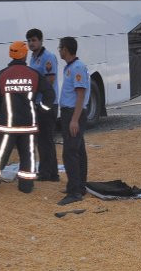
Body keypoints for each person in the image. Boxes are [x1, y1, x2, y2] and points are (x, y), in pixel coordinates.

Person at [0, 41, 55, 193]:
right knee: (28, 156)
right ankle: (26, 186)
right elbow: (50, 94)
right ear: (25, 54)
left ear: (10, 54)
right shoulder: (34, 74)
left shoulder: (2, 75)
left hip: (7, 125)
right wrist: (40, 111)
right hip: (28, 125)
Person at [57, 37, 90, 206]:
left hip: (73, 113)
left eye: (60, 47)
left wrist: (75, 120)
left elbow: (80, 94)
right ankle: (79, 185)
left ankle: (75, 192)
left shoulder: (77, 67)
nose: (58, 50)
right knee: (79, 150)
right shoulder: (71, 67)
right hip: (69, 112)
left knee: (70, 152)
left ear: (66, 49)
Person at [26, 28, 60, 182]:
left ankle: (49, 173)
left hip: (48, 104)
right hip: (38, 102)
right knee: (42, 140)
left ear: (41, 40)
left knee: (46, 139)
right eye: (29, 41)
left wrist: (35, 89)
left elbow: (50, 80)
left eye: (34, 40)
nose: (31, 43)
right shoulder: (33, 57)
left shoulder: (48, 57)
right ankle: (49, 172)